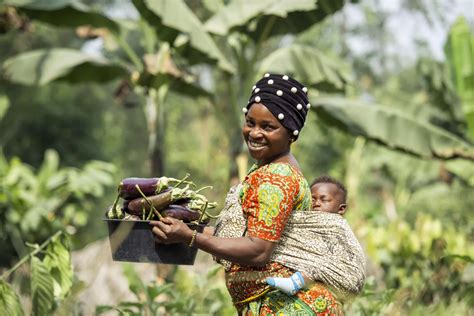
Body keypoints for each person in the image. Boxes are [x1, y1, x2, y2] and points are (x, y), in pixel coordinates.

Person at [151, 73, 341, 315]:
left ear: (292, 133)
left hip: (287, 307)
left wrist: (190, 237)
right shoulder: (267, 170)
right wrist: (187, 230)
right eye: (250, 122)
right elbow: (248, 235)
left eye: (268, 127)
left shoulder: (277, 178)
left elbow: (258, 250)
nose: (255, 133)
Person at [265, 176, 366, 301]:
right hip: (328, 283)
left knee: (319, 263)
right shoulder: (305, 221)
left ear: (341, 209)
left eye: (324, 200)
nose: (317, 203)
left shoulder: (336, 225)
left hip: (346, 275)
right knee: (314, 259)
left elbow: (346, 254)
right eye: (313, 199)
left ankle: (294, 283)